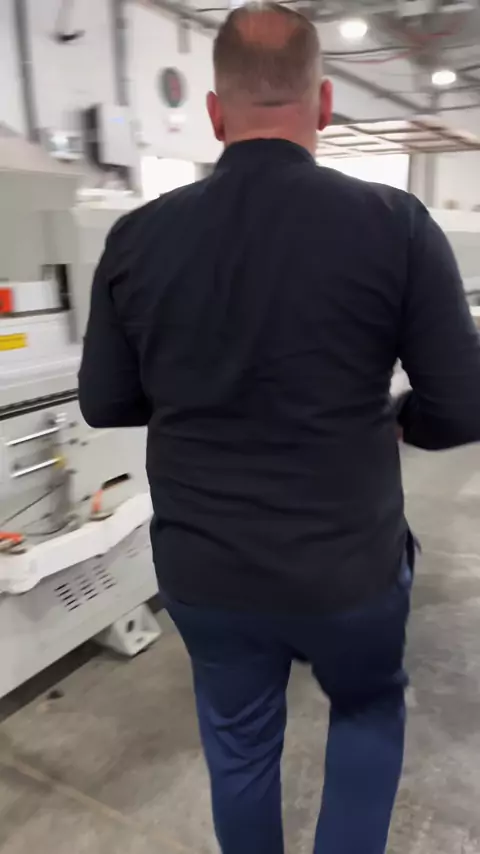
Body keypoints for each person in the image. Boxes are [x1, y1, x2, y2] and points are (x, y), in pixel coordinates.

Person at [78, 4, 480, 852]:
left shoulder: (137, 237)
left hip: (206, 568)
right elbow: (462, 406)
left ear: (214, 113)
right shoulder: (398, 225)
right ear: (324, 103)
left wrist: (198, 396)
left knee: (240, 745)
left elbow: (106, 404)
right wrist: (397, 418)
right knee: (367, 710)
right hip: (350, 568)